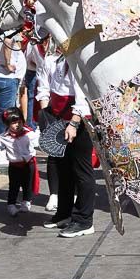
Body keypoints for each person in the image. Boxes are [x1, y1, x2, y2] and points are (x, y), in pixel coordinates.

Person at [36, 48, 96, 237]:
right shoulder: (53, 59)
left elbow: (82, 97)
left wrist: (74, 123)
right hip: (57, 117)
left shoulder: (78, 61)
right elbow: (44, 86)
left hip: (78, 120)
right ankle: (64, 212)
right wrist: (48, 116)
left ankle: (84, 220)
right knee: (63, 168)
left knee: (81, 170)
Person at [0, 108, 40, 217]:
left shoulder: (29, 133)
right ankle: (11, 204)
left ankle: (26, 201)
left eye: (19, 122)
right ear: (7, 124)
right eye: (13, 123)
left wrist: (39, 130)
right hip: (14, 165)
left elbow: (37, 140)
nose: (17, 125)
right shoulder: (3, 137)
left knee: (27, 184)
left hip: (29, 163)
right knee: (14, 185)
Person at [0, 30, 26, 157]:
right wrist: (8, 64)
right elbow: (8, 41)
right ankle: (1, 145)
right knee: (5, 112)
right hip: (6, 77)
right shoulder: (10, 32)